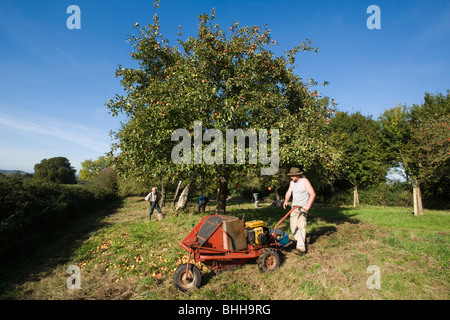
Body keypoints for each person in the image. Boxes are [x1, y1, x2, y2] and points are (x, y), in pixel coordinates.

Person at [283, 167, 316, 255]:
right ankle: (301, 240)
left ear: (297, 175)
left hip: (302, 208)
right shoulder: (292, 183)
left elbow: (312, 193)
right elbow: (289, 192)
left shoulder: (304, 181)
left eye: (292, 176)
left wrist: (308, 205)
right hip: (294, 208)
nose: (291, 177)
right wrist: (286, 201)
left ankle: (301, 248)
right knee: (293, 227)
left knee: (301, 226)